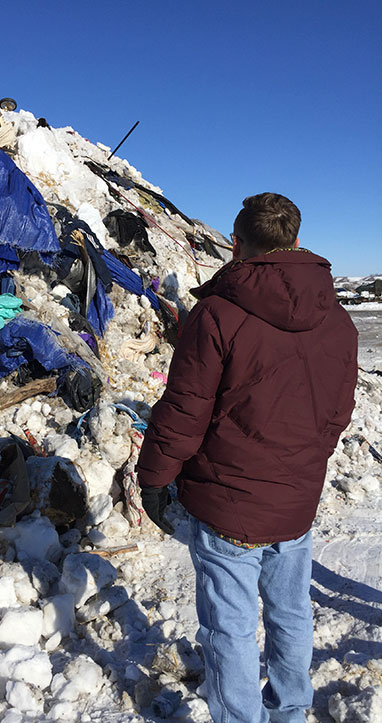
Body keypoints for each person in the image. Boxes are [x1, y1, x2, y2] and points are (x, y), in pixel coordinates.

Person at [137, 192, 358, 723]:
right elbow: (338, 409)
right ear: (296, 242)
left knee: (229, 627)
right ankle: (290, 710)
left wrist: (154, 477)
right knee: (290, 611)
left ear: (236, 245)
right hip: (296, 499)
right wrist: (307, 459)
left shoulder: (218, 313)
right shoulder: (339, 319)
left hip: (228, 503)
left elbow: (185, 409)